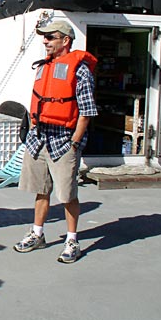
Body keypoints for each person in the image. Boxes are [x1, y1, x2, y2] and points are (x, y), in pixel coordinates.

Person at [13, 20, 97, 264]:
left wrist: (74, 142)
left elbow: (87, 111)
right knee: (41, 190)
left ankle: (72, 240)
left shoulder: (80, 69)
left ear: (66, 40)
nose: (45, 41)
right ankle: (37, 234)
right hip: (38, 139)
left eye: (51, 37)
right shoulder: (43, 67)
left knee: (67, 194)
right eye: (45, 37)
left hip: (63, 140)